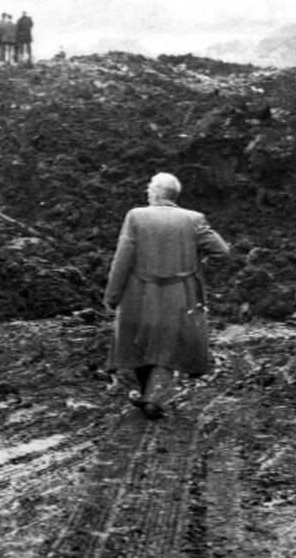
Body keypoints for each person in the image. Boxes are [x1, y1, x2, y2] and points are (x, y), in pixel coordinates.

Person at [103, 172, 229, 420]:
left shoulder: (136, 216)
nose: (147, 192)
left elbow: (122, 259)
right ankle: (155, 398)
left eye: (150, 188)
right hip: (178, 293)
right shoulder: (194, 219)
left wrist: (112, 295)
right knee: (168, 346)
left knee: (139, 341)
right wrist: (194, 261)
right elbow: (221, 250)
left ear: (158, 192)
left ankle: (141, 392)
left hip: (140, 292)